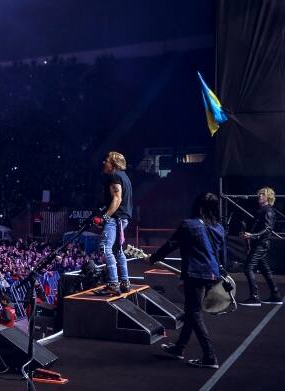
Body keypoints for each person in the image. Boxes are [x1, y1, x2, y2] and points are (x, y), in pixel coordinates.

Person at [148, 193, 227, 369]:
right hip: (212, 275)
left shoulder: (189, 225)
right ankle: (179, 347)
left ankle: (210, 356)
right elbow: (223, 256)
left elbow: (170, 245)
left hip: (195, 274)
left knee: (195, 313)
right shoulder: (219, 228)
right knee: (191, 311)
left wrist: (153, 258)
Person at [95, 151, 134, 294]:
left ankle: (113, 284)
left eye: (107, 160)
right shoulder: (125, 177)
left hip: (115, 218)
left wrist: (104, 218)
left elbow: (117, 199)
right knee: (118, 249)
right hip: (123, 219)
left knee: (106, 248)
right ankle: (125, 282)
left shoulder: (115, 176)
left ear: (114, 164)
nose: (104, 162)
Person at [241, 187, 281, 306]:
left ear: (269, 197)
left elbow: (268, 229)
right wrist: (250, 236)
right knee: (265, 270)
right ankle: (276, 295)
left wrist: (252, 235)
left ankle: (254, 297)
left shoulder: (268, 211)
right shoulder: (261, 210)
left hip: (261, 244)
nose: (260, 196)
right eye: (259, 194)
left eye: (263, 194)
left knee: (248, 268)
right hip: (259, 243)